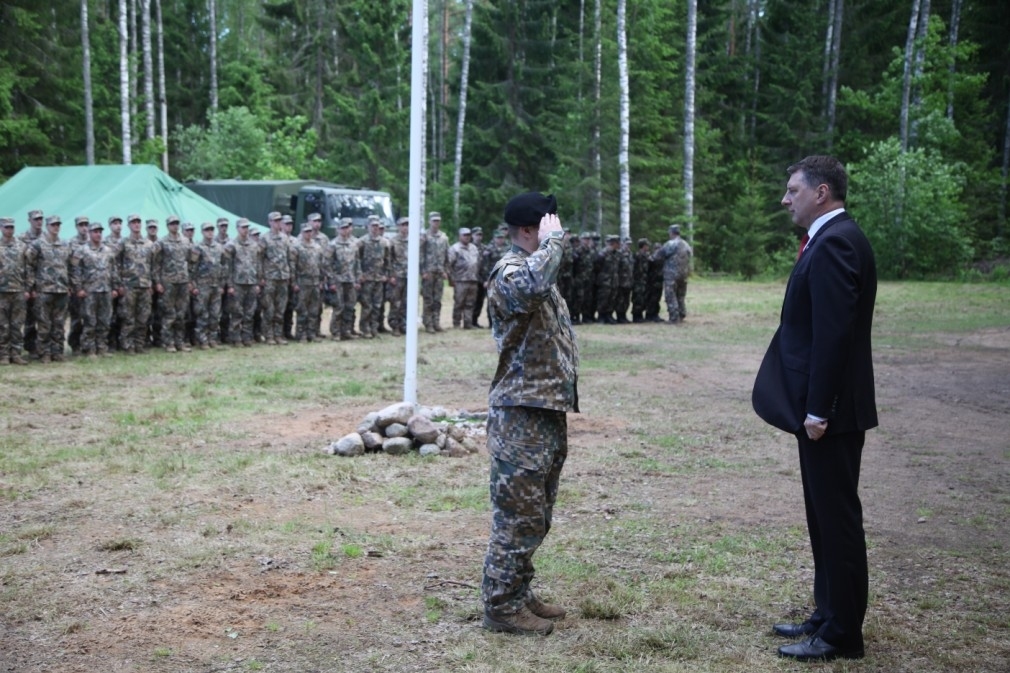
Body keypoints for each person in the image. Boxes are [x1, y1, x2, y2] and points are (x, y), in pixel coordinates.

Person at [752, 155, 877, 662]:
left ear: (821, 192)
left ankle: (842, 634)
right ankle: (828, 614)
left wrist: (819, 408)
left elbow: (833, 334)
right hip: (826, 410)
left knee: (837, 520)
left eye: (793, 191)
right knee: (823, 518)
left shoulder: (837, 242)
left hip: (832, 413)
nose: (785, 200)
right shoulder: (828, 239)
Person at [481, 192, 580, 637]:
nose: (559, 230)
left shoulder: (535, 266)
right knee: (517, 518)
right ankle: (501, 606)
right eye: (549, 224)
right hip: (519, 415)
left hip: (544, 410)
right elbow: (532, 287)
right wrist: (553, 243)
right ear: (528, 230)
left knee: (537, 513)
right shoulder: (511, 271)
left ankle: (519, 591)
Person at [69, 221, 120, 357]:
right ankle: (89, 348)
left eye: (100, 232)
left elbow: (113, 270)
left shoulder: (108, 250)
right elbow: (76, 271)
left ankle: (102, 347)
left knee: (105, 320)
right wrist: (78, 288)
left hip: (106, 290)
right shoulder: (82, 250)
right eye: (95, 232)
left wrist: (115, 287)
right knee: (90, 321)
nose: (98, 234)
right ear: (90, 233)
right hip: (89, 291)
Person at [26, 215, 72, 363]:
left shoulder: (65, 244)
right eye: (53, 225)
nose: (56, 227)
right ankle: (44, 352)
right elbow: (29, 266)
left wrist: (70, 285)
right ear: (47, 226)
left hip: (61, 290)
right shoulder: (37, 244)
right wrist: (31, 287)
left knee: (59, 324)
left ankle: (57, 352)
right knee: (44, 324)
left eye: (58, 225)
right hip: (44, 290)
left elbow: (70, 266)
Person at [117, 214, 156, 354]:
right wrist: (119, 284)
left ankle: (139, 344)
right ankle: (128, 345)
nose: (136, 224)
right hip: (129, 286)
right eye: (133, 222)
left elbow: (153, 265)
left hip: (145, 286)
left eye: (138, 222)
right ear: (129, 225)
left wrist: (152, 283)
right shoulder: (123, 243)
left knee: (143, 317)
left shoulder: (149, 244)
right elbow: (116, 264)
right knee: (128, 317)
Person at [224, 219, 263, 347]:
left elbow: (257, 264)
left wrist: (258, 282)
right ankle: (235, 338)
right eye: (243, 227)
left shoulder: (254, 245)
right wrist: (230, 285)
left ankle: (247, 337)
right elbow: (227, 267)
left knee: (250, 312)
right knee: (237, 312)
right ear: (237, 228)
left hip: (251, 282)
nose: (245, 230)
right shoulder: (231, 245)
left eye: (247, 227)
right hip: (237, 283)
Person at [260, 211, 295, 345]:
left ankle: (278, 335)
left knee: (281, 308)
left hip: (283, 277)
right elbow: (260, 259)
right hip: (270, 277)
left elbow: (289, 258)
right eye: (275, 221)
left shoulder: (285, 238)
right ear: (269, 222)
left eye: (279, 220)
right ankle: (268, 335)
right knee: (269, 308)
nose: (277, 223)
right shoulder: (264, 238)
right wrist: (261, 277)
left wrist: (290, 275)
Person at [192, 222, 228, 349]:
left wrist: (222, 284)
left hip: (216, 286)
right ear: (202, 232)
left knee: (215, 314)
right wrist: (194, 285)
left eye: (211, 230)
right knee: (203, 313)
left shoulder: (219, 247)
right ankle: (202, 340)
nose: (210, 232)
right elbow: (192, 267)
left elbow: (224, 266)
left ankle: (213, 338)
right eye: (207, 230)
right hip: (202, 286)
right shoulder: (198, 247)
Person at [0, 217, 30, 365]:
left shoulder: (22, 246)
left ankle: (16, 354)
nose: (9, 230)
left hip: (18, 290)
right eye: (6, 227)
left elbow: (28, 268)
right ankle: (4, 355)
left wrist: (28, 288)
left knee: (17, 324)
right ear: (1, 228)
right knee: (2, 325)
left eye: (11, 227)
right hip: (2, 291)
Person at [326, 218, 361, 340]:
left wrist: (357, 279)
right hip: (338, 280)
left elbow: (357, 263)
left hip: (350, 280)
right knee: (339, 306)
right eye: (342, 228)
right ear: (338, 230)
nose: (345, 230)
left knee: (350, 306)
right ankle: (336, 332)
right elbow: (327, 264)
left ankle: (346, 330)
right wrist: (331, 281)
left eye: (346, 228)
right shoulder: (333, 244)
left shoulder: (353, 244)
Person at [291, 222, 326, 342]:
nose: (308, 234)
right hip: (302, 283)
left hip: (315, 283)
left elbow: (321, 265)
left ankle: (311, 333)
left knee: (314, 310)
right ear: (302, 232)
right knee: (302, 310)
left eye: (310, 231)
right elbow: (293, 266)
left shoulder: (317, 247)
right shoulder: (296, 247)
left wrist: (322, 281)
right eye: (306, 231)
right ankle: (301, 334)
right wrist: (294, 283)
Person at [356, 215, 389, 338]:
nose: (375, 228)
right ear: (368, 227)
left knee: (377, 305)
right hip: (367, 279)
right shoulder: (362, 242)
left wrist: (386, 274)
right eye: (373, 226)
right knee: (367, 305)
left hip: (379, 278)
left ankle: (374, 328)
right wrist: (360, 275)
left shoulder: (384, 242)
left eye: (377, 226)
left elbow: (387, 260)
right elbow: (357, 260)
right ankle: (365, 328)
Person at [653, 224, 693, 323]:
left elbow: (657, 256)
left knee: (670, 295)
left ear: (671, 233)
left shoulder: (670, 244)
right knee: (680, 296)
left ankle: (674, 317)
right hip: (683, 274)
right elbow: (689, 255)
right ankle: (681, 314)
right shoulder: (686, 244)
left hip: (671, 275)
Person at [420, 212, 449, 333]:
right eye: (434, 221)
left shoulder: (444, 237)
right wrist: (423, 271)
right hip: (429, 272)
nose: (436, 223)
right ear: (429, 222)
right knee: (428, 299)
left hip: (439, 272)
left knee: (437, 299)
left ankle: (436, 322)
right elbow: (420, 254)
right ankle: (428, 323)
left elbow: (447, 255)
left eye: (438, 221)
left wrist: (446, 270)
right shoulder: (424, 236)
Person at [447, 227, 480, 329]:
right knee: (459, 302)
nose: (467, 237)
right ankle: (456, 323)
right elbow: (449, 265)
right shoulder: (455, 248)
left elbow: (477, 262)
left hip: (473, 279)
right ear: (459, 236)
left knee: (470, 303)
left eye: (468, 235)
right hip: (460, 280)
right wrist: (451, 279)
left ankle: (468, 323)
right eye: (464, 235)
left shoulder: (474, 248)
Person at [386, 216, 410, 336]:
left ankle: (404, 324)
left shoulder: (413, 240)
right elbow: (388, 260)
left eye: (407, 225)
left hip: (409, 276)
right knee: (395, 302)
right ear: (398, 227)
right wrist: (391, 275)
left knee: (406, 302)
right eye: (403, 225)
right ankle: (394, 325)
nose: (405, 227)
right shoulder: (392, 241)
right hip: (397, 276)